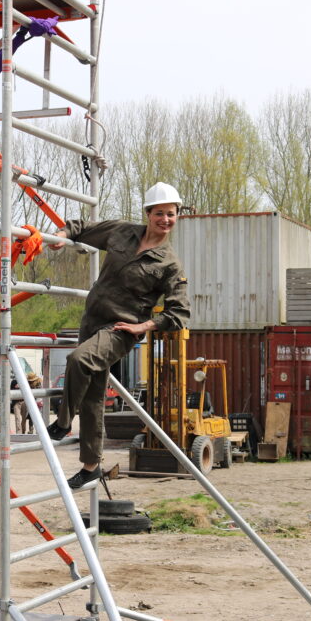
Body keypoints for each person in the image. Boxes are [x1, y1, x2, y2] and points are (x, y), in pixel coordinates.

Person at [47, 182, 191, 489]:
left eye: (171, 214)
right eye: (159, 213)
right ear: (148, 213)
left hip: (120, 329)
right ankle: (90, 466)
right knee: (93, 394)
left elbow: (179, 312)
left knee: (79, 360)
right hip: (91, 320)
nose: (165, 220)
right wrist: (61, 236)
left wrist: (143, 327)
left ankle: (61, 424)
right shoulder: (122, 232)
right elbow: (83, 228)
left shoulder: (169, 263)